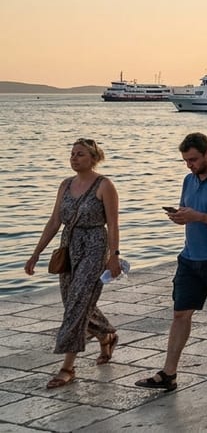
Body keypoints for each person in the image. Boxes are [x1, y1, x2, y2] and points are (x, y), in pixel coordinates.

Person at [136, 133, 207, 391]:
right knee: (180, 313)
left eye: (193, 159)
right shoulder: (189, 180)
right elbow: (190, 211)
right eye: (185, 160)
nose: (189, 165)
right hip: (190, 258)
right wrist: (181, 216)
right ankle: (169, 372)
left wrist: (199, 217)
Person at [24, 138, 121, 389]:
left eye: (79, 154)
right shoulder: (65, 185)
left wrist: (114, 256)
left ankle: (68, 367)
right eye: (72, 154)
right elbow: (55, 221)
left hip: (94, 246)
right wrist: (36, 254)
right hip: (69, 246)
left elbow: (113, 223)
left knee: (77, 303)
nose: (74, 158)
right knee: (73, 302)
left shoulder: (104, 185)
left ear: (93, 158)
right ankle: (105, 334)